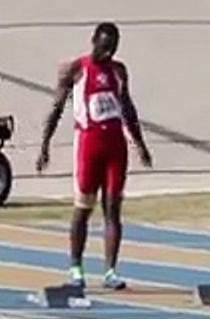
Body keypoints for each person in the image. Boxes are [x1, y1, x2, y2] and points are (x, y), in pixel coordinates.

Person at [36, 22, 152, 291]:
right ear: (94, 41)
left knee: (113, 207)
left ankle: (111, 270)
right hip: (89, 143)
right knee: (83, 207)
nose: (109, 52)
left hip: (115, 144)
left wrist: (140, 143)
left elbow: (128, 108)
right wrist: (45, 144)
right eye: (104, 46)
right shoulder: (78, 69)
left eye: (113, 47)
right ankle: (75, 267)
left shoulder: (119, 71)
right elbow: (57, 107)